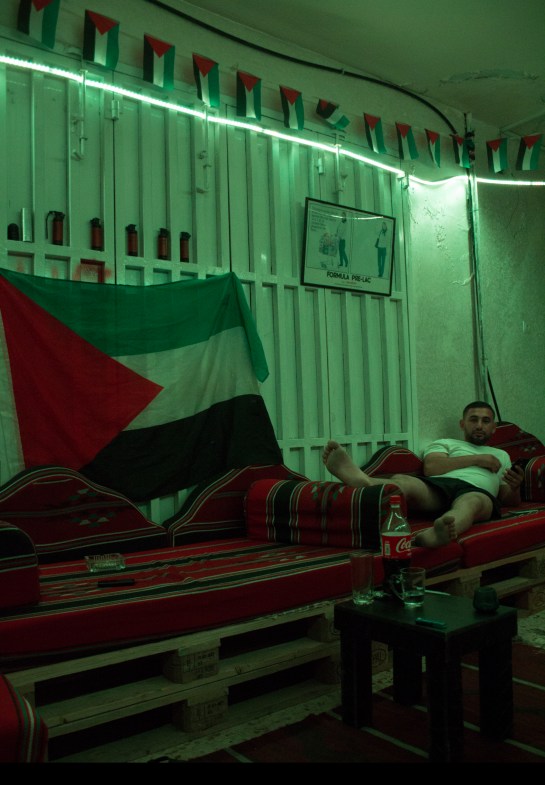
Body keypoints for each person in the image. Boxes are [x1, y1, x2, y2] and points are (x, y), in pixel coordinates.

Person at [322, 401, 524, 548]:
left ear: (493, 428)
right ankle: (363, 481)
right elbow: (432, 468)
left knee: (471, 503)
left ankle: (440, 531)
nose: (479, 425)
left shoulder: (501, 455)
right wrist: (478, 460)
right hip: (440, 485)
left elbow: (508, 500)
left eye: (485, 421)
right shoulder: (446, 443)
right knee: (404, 481)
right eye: (473, 420)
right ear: (462, 424)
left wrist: (515, 487)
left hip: (479, 493)